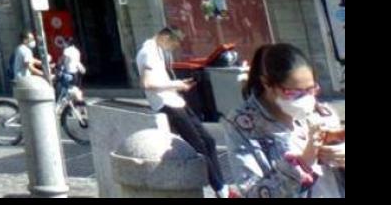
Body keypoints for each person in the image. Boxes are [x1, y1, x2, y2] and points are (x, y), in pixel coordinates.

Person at [225, 43, 344, 198]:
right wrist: (302, 162)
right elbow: (253, 193)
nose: (306, 98)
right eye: (294, 93)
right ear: (267, 84)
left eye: (311, 89)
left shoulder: (322, 112)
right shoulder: (243, 124)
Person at [137, 27, 230, 197]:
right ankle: (219, 187)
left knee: (208, 141)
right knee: (199, 145)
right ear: (164, 37)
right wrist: (177, 85)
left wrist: (177, 83)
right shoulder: (148, 52)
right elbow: (147, 84)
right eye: (172, 44)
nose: (172, 48)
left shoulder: (156, 50)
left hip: (175, 101)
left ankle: (221, 185)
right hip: (166, 104)